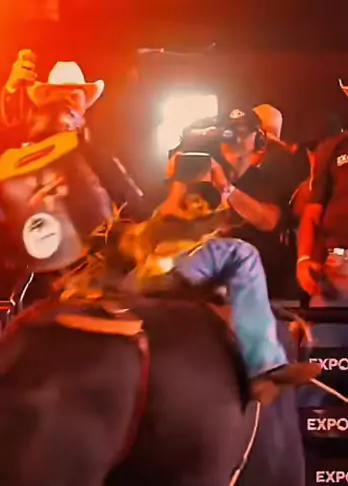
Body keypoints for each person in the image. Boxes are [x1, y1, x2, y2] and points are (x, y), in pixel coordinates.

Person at [122, 152, 321, 405]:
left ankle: (258, 375)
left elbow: (263, 220)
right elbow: (157, 226)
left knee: (231, 270)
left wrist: (223, 188)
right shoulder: (163, 201)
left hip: (164, 275)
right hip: (159, 270)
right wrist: (180, 185)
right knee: (242, 254)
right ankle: (266, 366)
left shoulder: (208, 203)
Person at [1, 52, 148, 219]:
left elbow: (132, 205)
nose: (67, 101)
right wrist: (12, 90)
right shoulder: (29, 151)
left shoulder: (98, 157)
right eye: (61, 96)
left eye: (73, 96)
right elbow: (6, 133)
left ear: (85, 103)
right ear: (48, 103)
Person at [207, 108, 300, 300]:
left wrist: (227, 189)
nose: (237, 139)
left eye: (244, 133)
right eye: (230, 132)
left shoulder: (267, 177)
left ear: (258, 138)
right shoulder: (206, 172)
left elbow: (269, 220)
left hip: (259, 279)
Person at [297, 80, 348, 306]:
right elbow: (313, 213)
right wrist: (304, 259)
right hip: (338, 269)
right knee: (321, 327)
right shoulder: (332, 148)